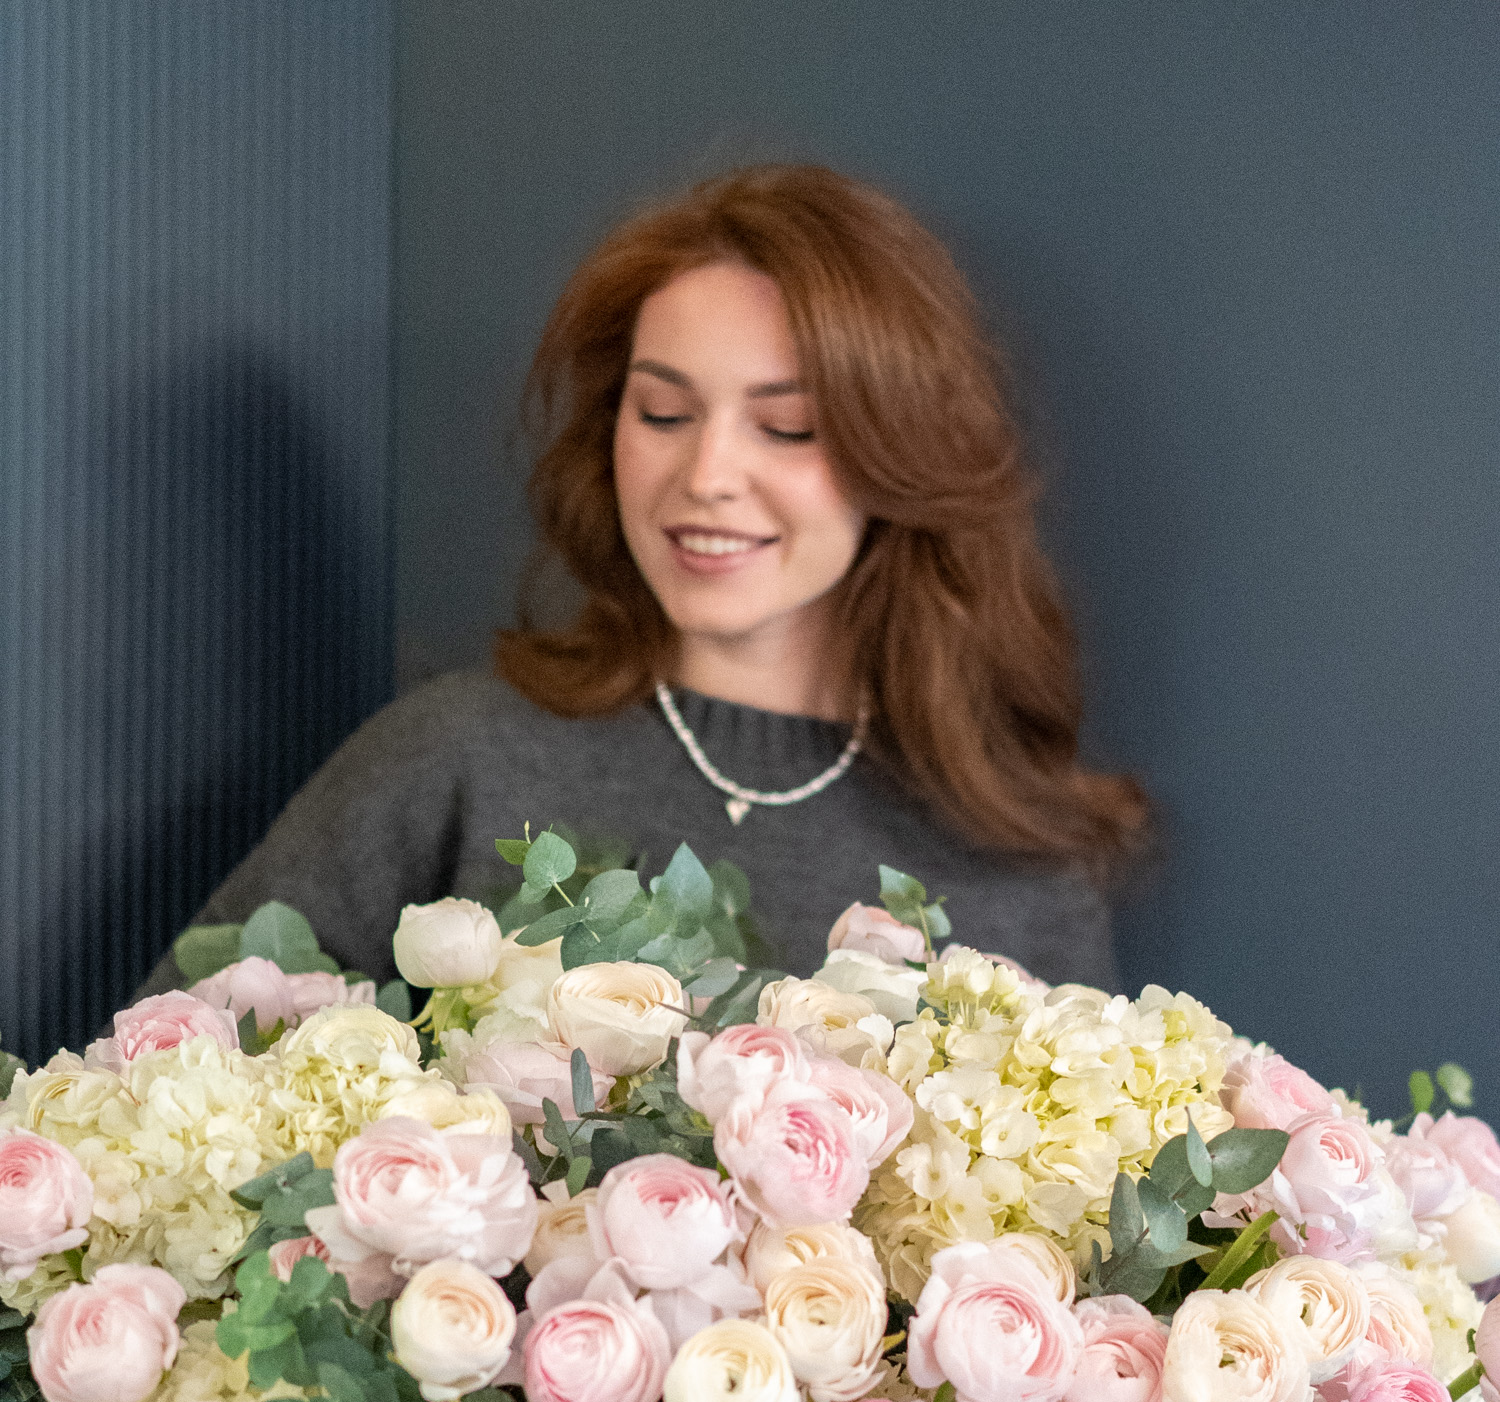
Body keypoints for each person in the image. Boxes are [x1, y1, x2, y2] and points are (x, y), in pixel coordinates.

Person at [141, 164, 1145, 991]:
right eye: (664, 413)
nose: (706, 477)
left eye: (787, 426)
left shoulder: (1018, 871)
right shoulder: (458, 760)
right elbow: (151, 1094)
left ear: (901, 453)